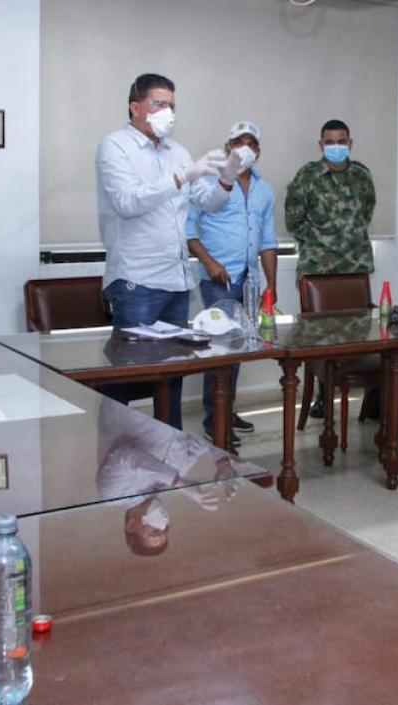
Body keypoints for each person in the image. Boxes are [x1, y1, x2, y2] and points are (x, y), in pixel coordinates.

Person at [95, 72, 245, 429]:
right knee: (128, 378)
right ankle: (118, 451)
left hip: (176, 281)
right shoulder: (115, 146)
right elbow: (127, 202)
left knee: (172, 376)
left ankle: (169, 452)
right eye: (159, 104)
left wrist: (226, 178)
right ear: (136, 108)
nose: (168, 112)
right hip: (137, 279)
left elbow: (207, 203)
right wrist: (181, 177)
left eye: (172, 105)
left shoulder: (178, 151)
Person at [186, 120, 278, 443]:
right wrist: (209, 263)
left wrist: (272, 284)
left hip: (249, 279)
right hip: (218, 279)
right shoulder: (209, 182)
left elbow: (268, 239)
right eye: (239, 141)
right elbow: (189, 229)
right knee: (220, 347)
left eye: (252, 143)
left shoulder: (264, 189)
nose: (245, 148)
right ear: (228, 147)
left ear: (259, 151)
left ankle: (228, 408)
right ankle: (215, 419)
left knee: (237, 347)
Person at [285, 118, 377, 419]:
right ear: (320, 144)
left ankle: (373, 403)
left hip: (354, 267)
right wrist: (324, 242)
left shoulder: (362, 175)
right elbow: (293, 220)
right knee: (322, 340)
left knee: (360, 334)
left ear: (350, 144)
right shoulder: (307, 176)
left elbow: (366, 211)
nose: (335, 146)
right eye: (329, 141)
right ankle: (324, 398)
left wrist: (344, 241)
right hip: (319, 268)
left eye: (341, 141)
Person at [95, 402, 250, 556]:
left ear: (131, 525)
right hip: (169, 391)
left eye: (154, 532)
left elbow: (126, 455)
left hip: (132, 395)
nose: (162, 524)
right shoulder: (173, 475)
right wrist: (221, 462)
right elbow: (198, 440)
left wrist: (179, 483)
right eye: (165, 529)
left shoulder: (113, 494)